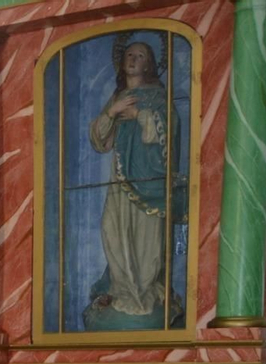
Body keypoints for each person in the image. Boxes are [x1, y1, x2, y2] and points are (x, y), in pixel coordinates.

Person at [84, 39, 184, 329]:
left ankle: (144, 293)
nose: (133, 59)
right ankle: (123, 291)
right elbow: (99, 140)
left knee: (146, 239)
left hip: (149, 181)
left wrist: (140, 116)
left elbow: (170, 131)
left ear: (149, 64)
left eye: (140, 55)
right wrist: (113, 112)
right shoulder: (117, 97)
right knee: (111, 229)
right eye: (129, 54)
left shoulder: (157, 96)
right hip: (120, 181)